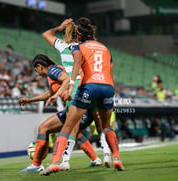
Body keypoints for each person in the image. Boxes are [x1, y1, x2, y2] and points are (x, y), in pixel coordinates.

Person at [41, 17, 124, 176]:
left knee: (69, 126)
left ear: (77, 35)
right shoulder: (104, 48)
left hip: (86, 85)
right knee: (104, 125)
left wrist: (71, 84)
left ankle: (59, 161)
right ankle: (113, 156)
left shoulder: (72, 46)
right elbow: (110, 70)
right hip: (107, 87)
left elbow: (77, 61)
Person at [19, 54, 102, 172]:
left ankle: (37, 164)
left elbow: (66, 79)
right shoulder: (53, 73)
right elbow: (50, 93)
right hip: (83, 108)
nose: (37, 73)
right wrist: (30, 100)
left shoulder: (52, 70)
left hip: (76, 107)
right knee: (75, 132)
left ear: (40, 66)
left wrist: (58, 95)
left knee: (44, 128)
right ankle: (95, 159)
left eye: (36, 69)